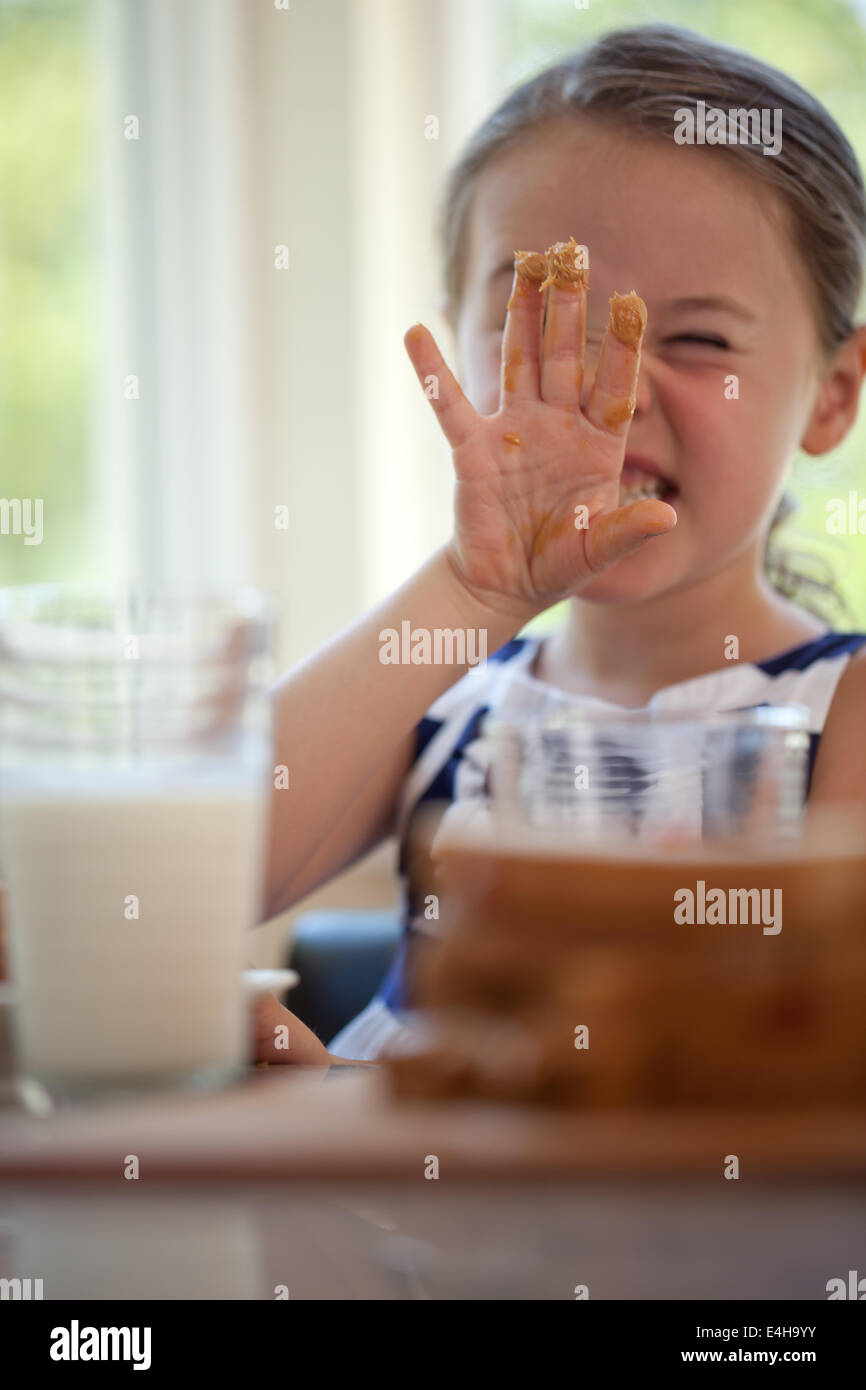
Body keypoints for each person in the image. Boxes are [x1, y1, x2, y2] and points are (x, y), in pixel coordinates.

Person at [255, 24, 866, 1065]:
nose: (604, 394)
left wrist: (349, 1108)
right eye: (542, 323)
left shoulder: (837, 715)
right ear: (455, 350)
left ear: (830, 393)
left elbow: (794, 1082)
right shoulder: (439, 706)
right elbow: (112, 907)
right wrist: (470, 589)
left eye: (696, 339)